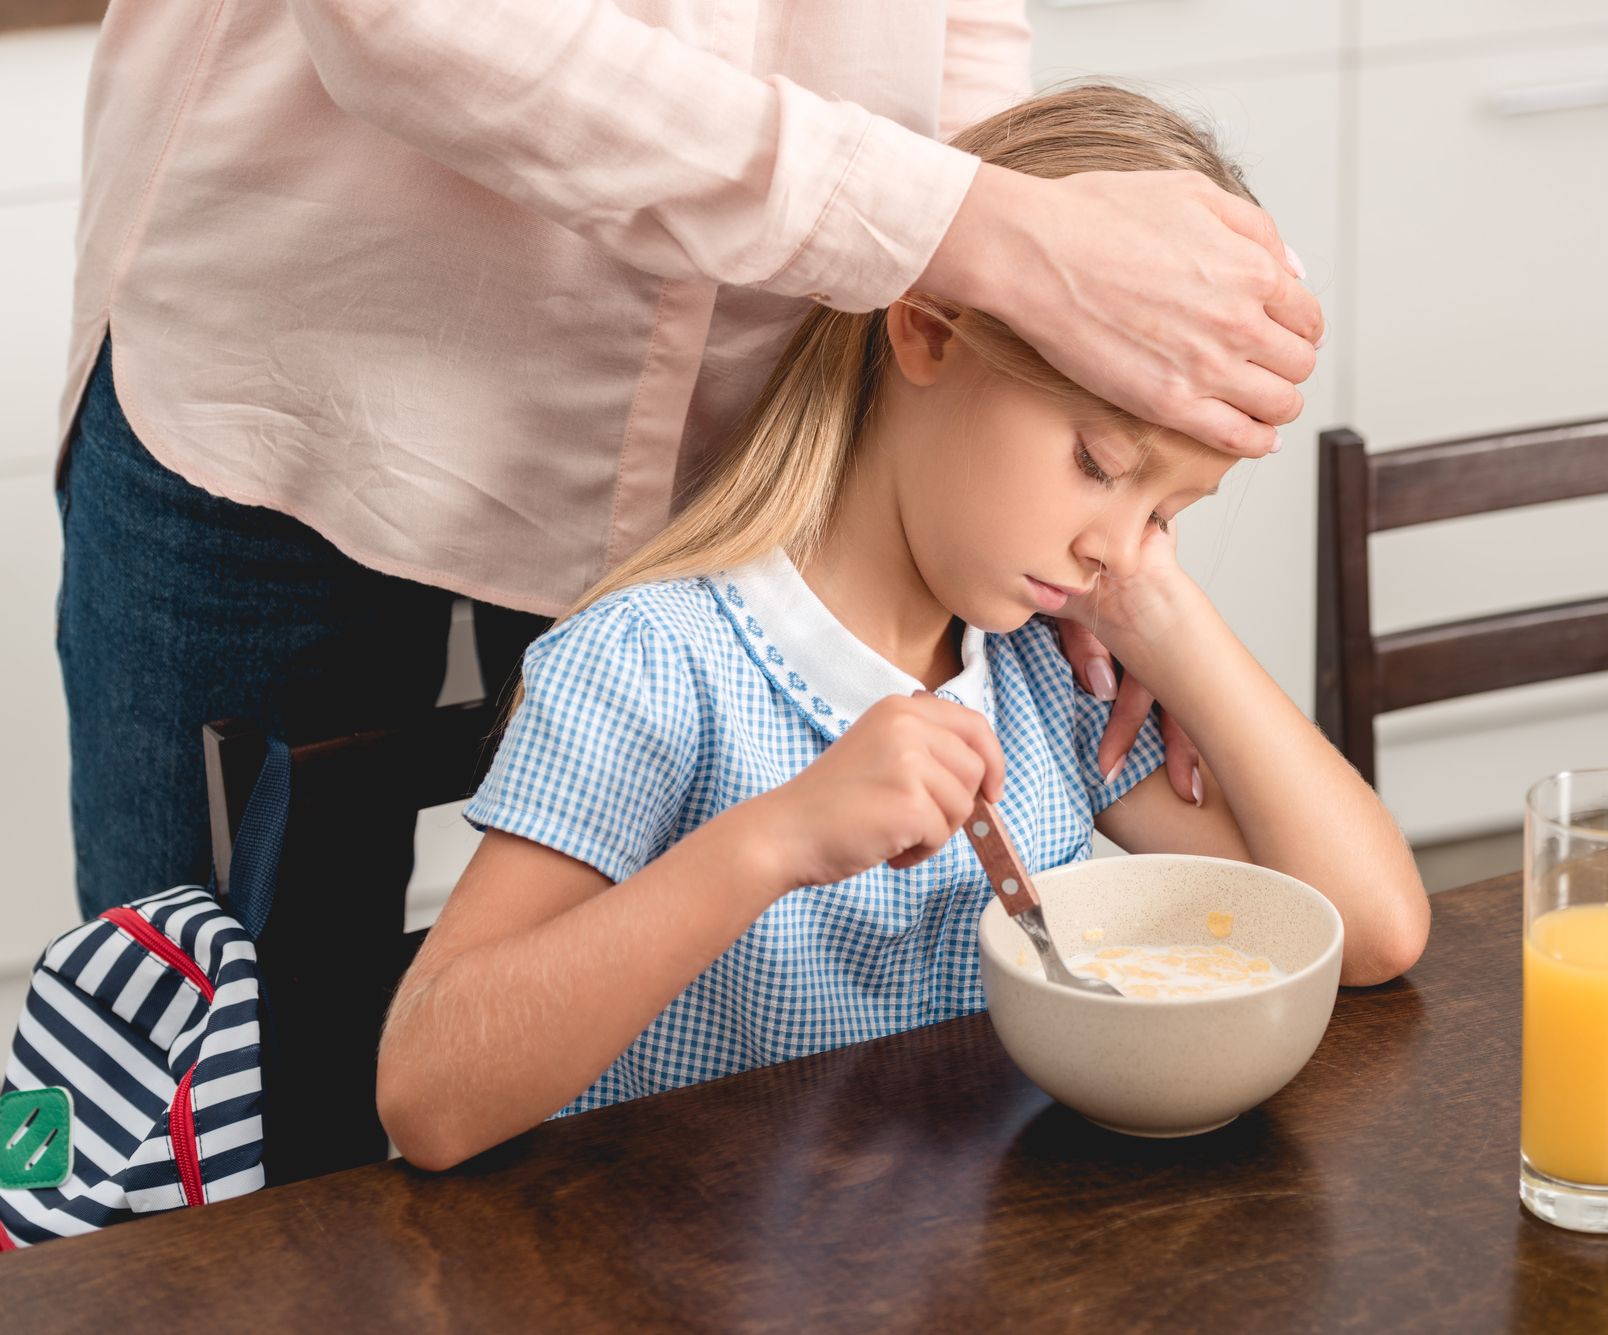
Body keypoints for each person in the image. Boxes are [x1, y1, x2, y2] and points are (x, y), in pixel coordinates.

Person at [58, 0, 1323, 916]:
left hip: (709, 432)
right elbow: (402, 23)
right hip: (287, 379)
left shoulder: (948, 541)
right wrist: (979, 235)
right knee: (189, 1110)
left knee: (652, 1116)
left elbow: (954, 36)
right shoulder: (657, 663)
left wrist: (1051, 413)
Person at [376, 86, 1427, 1173]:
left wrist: (1160, 612)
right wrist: (773, 841)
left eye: (1165, 516)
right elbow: (428, 1098)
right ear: (927, 329)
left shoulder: (1046, 669)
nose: (1114, 544)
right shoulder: (653, 665)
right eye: (1098, 466)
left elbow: (1367, 930)